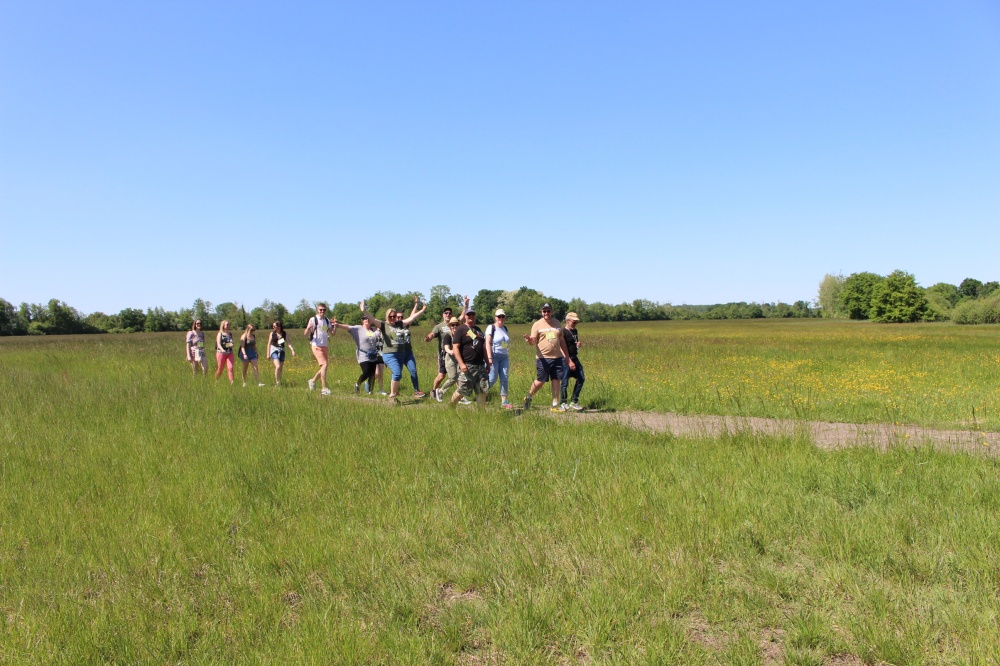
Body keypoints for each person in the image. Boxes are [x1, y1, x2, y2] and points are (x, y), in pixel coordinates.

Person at [362, 296, 427, 400]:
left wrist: (422, 310)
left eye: (394, 316)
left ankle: (395, 392)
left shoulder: (400, 324)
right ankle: (392, 395)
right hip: (389, 354)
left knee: (398, 375)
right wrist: (364, 310)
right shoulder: (383, 325)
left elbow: (411, 318)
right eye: (390, 316)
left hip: (401, 353)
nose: (392, 318)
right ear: (387, 316)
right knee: (397, 373)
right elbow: (372, 319)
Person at [522, 303, 575, 411]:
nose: (546, 313)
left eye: (548, 311)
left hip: (557, 357)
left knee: (556, 379)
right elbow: (533, 341)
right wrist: (530, 340)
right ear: (541, 312)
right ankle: (529, 396)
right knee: (541, 380)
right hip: (543, 358)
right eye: (544, 311)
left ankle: (555, 404)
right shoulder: (537, 324)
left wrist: (566, 356)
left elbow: (561, 340)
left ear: (552, 312)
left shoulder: (557, 323)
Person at [426, 296, 469, 402]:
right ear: (443, 315)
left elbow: (463, 315)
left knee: (457, 376)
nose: (448, 314)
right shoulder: (439, 326)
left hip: (456, 355)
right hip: (444, 355)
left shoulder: (456, 323)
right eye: (446, 313)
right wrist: (428, 337)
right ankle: (435, 391)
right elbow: (432, 334)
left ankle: (459, 396)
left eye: (450, 313)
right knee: (442, 375)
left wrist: (466, 304)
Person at [450, 308, 490, 408]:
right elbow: (455, 347)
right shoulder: (461, 329)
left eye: (473, 314)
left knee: (482, 390)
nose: (471, 316)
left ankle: (481, 412)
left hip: (480, 365)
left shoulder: (478, 330)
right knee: (463, 390)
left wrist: (488, 362)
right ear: (465, 316)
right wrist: (461, 364)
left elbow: (483, 347)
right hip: (468, 366)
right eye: (469, 314)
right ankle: (451, 406)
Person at [331, 314, 380, 395]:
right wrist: (338, 325)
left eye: (369, 318)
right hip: (363, 354)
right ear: (362, 320)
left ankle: (370, 391)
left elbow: (381, 327)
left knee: (372, 374)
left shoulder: (374, 330)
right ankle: (358, 384)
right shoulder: (358, 328)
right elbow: (348, 327)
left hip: (373, 355)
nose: (367, 320)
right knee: (366, 372)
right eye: (365, 318)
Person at [304, 303, 337, 396]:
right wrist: (308, 328)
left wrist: (335, 325)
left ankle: (312, 381)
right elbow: (305, 333)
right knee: (324, 365)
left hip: (324, 345)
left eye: (324, 310)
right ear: (317, 310)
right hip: (316, 345)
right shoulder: (313, 319)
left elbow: (333, 333)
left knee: (324, 367)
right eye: (320, 310)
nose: (322, 311)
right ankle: (324, 388)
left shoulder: (326, 320)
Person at [485, 308, 512, 409]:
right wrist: (489, 357)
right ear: (495, 317)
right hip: (494, 356)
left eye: (502, 316)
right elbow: (487, 343)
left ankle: (504, 402)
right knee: (492, 378)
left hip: (504, 357)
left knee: (504, 378)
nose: (501, 318)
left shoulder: (504, 328)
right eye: (499, 316)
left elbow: (505, 343)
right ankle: (481, 394)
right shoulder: (491, 328)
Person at [559, 312, 585, 410]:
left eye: (576, 322)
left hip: (575, 357)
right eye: (574, 322)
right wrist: (568, 360)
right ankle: (563, 402)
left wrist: (577, 345)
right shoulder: (563, 332)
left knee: (581, 378)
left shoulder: (575, 331)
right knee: (564, 381)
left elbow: (573, 343)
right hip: (565, 359)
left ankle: (574, 401)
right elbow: (560, 347)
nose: (575, 324)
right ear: (568, 321)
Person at [268, 320, 296, 386]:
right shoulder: (272, 334)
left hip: (282, 351)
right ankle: (277, 383)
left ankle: (279, 382)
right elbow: (269, 344)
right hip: (274, 350)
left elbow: (288, 343)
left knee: (280, 368)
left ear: (279, 326)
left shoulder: (284, 333)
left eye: (274, 326)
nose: (273, 327)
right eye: (273, 326)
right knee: (278, 366)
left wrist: (292, 350)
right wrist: (268, 354)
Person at [215, 320, 236, 384]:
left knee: (230, 367)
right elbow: (219, 344)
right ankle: (216, 380)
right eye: (227, 324)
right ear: (223, 325)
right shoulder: (220, 334)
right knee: (220, 368)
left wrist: (231, 344)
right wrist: (222, 350)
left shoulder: (230, 334)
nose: (228, 326)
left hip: (229, 353)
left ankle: (232, 382)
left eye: (229, 324)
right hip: (221, 353)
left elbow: (232, 342)